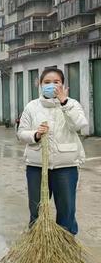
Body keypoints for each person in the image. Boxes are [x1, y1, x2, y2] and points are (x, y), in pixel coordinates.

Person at [17, 67, 88, 235]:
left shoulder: (72, 104)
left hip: (66, 165)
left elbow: (80, 125)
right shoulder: (31, 107)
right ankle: (37, 243)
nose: (51, 86)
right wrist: (36, 134)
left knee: (66, 209)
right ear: (39, 85)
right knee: (37, 210)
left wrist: (64, 103)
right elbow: (21, 133)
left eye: (56, 82)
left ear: (63, 85)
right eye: (47, 82)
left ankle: (66, 244)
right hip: (37, 166)